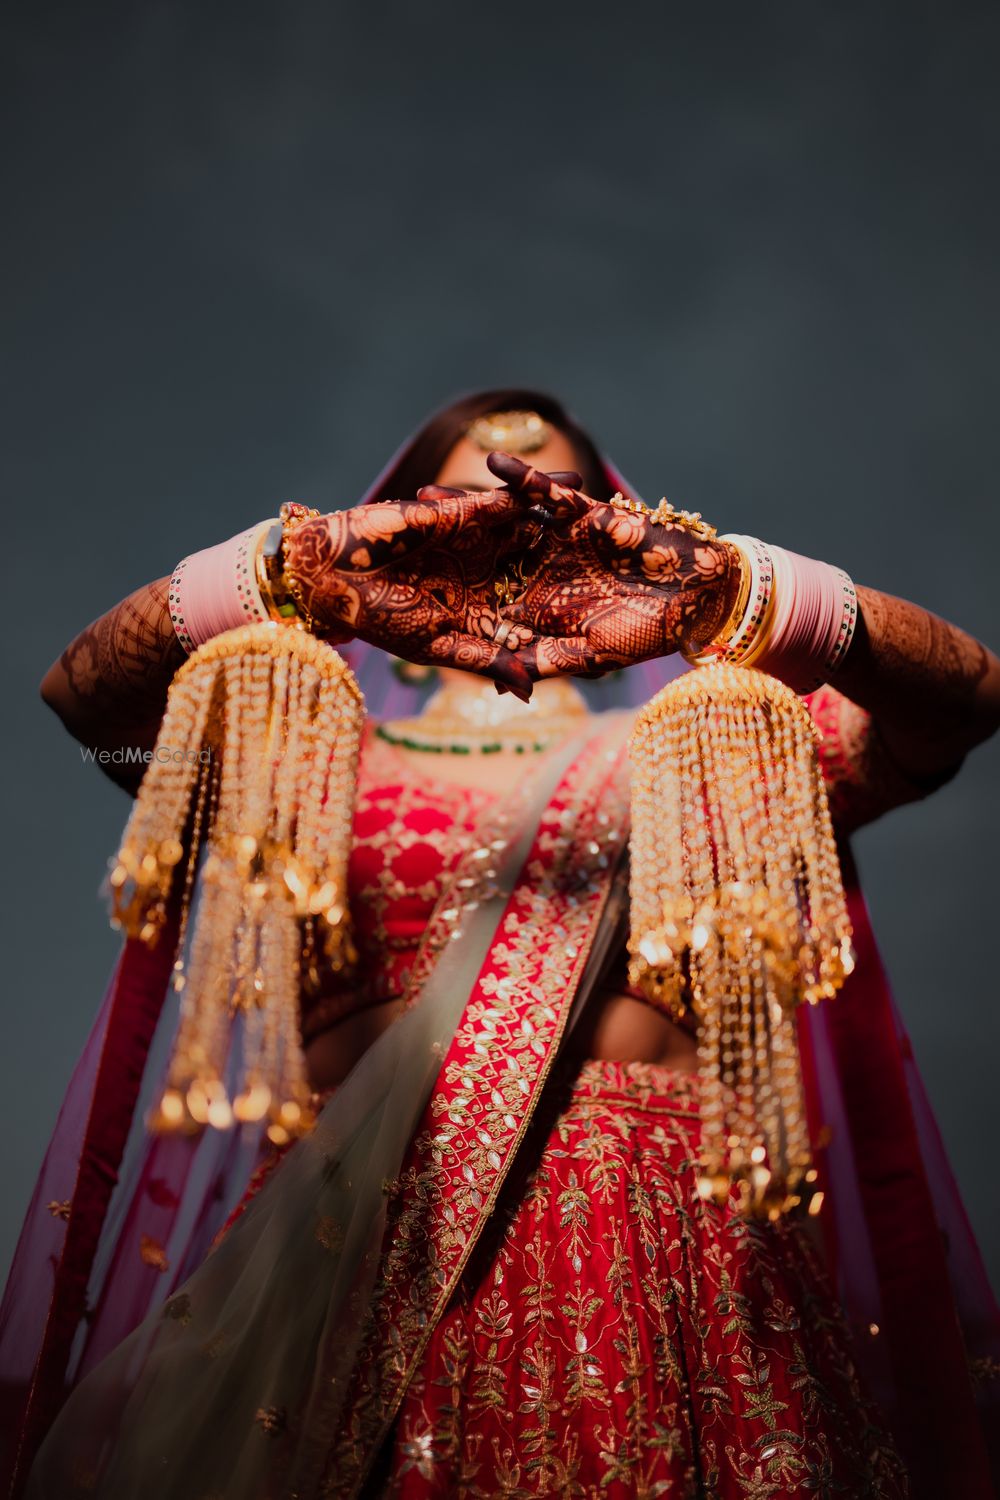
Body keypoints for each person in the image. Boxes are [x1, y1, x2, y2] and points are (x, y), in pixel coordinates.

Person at [3, 388, 999, 1499]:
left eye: (544, 518)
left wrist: (753, 593)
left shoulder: (706, 745)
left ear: (619, 531)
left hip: (655, 1251)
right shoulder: (300, 752)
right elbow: (86, 707)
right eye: (462, 516)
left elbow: (957, 708)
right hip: (347, 1257)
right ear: (397, 519)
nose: (504, 549)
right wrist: (281, 570)